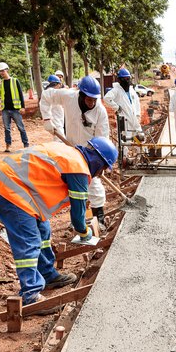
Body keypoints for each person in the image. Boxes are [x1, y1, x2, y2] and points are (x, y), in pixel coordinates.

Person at [0, 137, 117, 305]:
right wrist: (85, 233)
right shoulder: (78, 169)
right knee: (29, 241)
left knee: (43, 231)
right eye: (103, 168)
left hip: (22, 186)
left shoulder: (73, 156)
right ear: (98, 162)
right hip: (11, 187)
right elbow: (78, 216)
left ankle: (48, 274)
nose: (101, 173)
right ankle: (30, 294)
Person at [40, 75, 110, 230]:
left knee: (95, 186)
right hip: (71, 150)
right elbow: (46, 96)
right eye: (89, 99)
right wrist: (47, 120)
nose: (92, 102)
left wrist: (100, 162)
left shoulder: (100, 111)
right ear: (81, 95)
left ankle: (100, 219)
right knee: (74, 187)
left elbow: (102, 138)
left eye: (94, 99)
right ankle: (77, 220)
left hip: (89, 154)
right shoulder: (68, 96)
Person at [0, 61, 29, 152]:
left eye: (3, 70)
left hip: (15, 109)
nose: (1, 72)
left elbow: (20, 94)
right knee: (7, 129)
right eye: (0, 71)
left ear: (7, 70)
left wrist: (22, 107)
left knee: (21, 127)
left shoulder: (15, 81)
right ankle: (8, 146)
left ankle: (26, 144)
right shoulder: (0, 83)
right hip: (5, 109)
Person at [104, 68, 143, 137]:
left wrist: (138, 115)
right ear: (120, 80)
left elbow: (137, 103)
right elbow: (107, 98)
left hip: (135, 119)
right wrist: (116, 107)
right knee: (124, 141)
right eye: (124, 79)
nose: (127, 80)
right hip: (124, 121)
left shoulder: (131, 90)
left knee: (140, 138)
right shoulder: (116, 90)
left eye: (128, 78)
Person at [43, 75, 65, 140]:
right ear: (56, 84)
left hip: (58, 120)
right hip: (56, 120)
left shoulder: (50, 92)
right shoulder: (50, 92)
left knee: (59, 138)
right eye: (59, 85)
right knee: (60, 140)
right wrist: (47, 120)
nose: (59, 86)